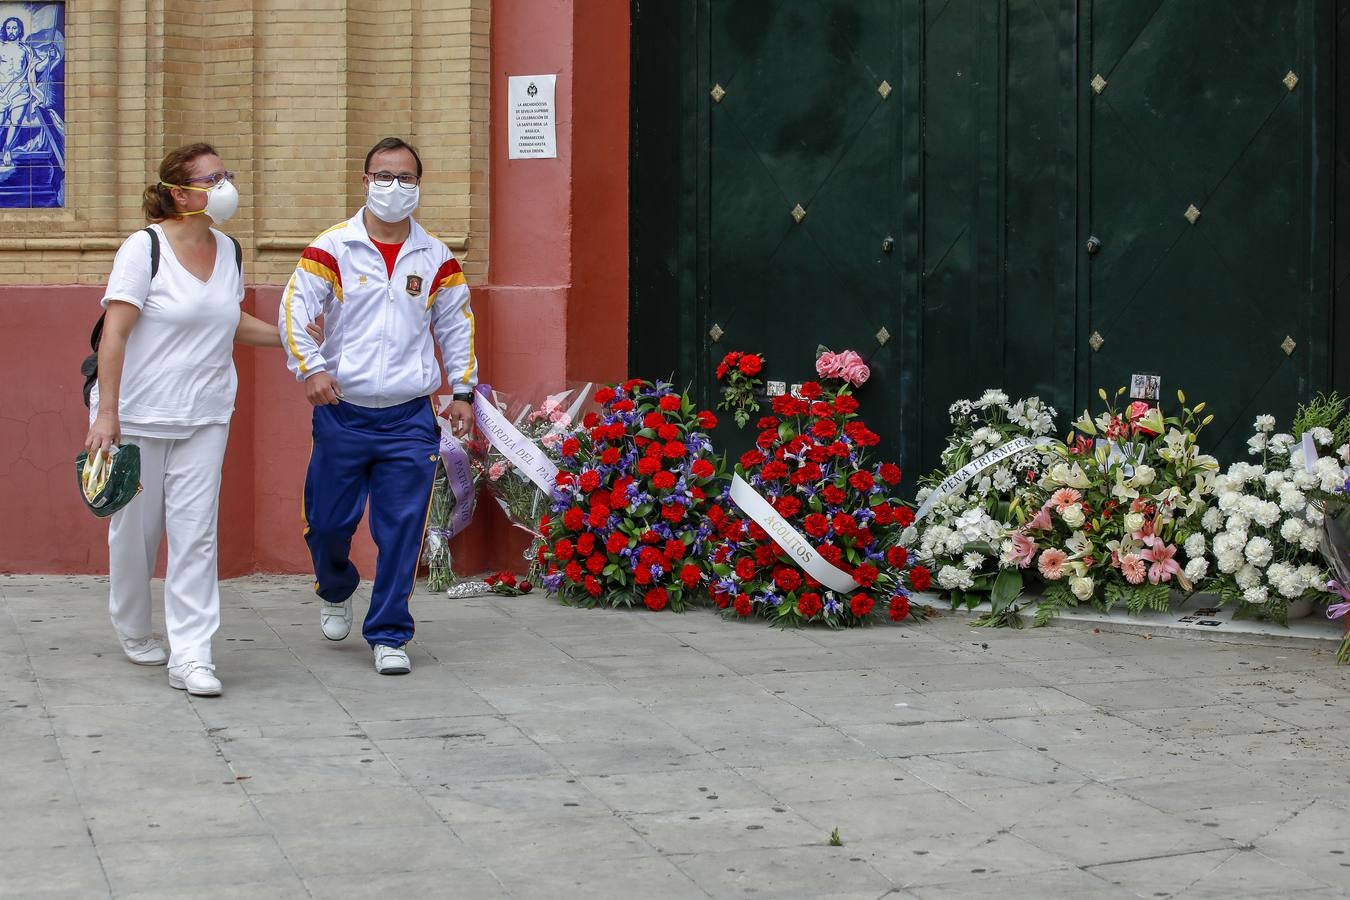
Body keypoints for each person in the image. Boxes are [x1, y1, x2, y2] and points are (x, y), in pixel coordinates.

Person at [85, 143, 308, 696]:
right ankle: (134, 626)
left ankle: (191, 654)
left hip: (206, 412)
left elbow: (228, 322)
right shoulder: (145, 249)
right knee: (135, 532)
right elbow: (114, 332)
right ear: (179, 193)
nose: (224, 186)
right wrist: (107, 414)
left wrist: (295, 336)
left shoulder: (230, 250)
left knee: (196, 534)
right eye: (211, 179)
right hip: (139, 412)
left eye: (225, 175)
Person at [278, 136, 477, 676]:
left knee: (402, 527)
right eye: (383, 177)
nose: (394, 187)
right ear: (365, 181)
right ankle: (336, 585)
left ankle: (389, 633)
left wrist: (462, 391)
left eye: (406, 178)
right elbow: (294, 310)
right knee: (327, 522)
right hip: (344, 410)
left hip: (409, 416)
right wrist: (312, 369)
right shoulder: (332, 249)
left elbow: (456, 326)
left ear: (419, 184)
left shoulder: (436, 258)